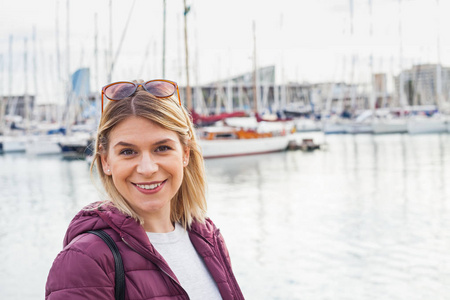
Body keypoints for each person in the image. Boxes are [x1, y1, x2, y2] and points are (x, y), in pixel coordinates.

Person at [45, 79, 244, 300]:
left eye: (162, 148)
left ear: (185, 154)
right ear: (105, 162)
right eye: (128, 152)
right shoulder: (86, 260)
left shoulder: (209, 239)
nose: (147, 169)